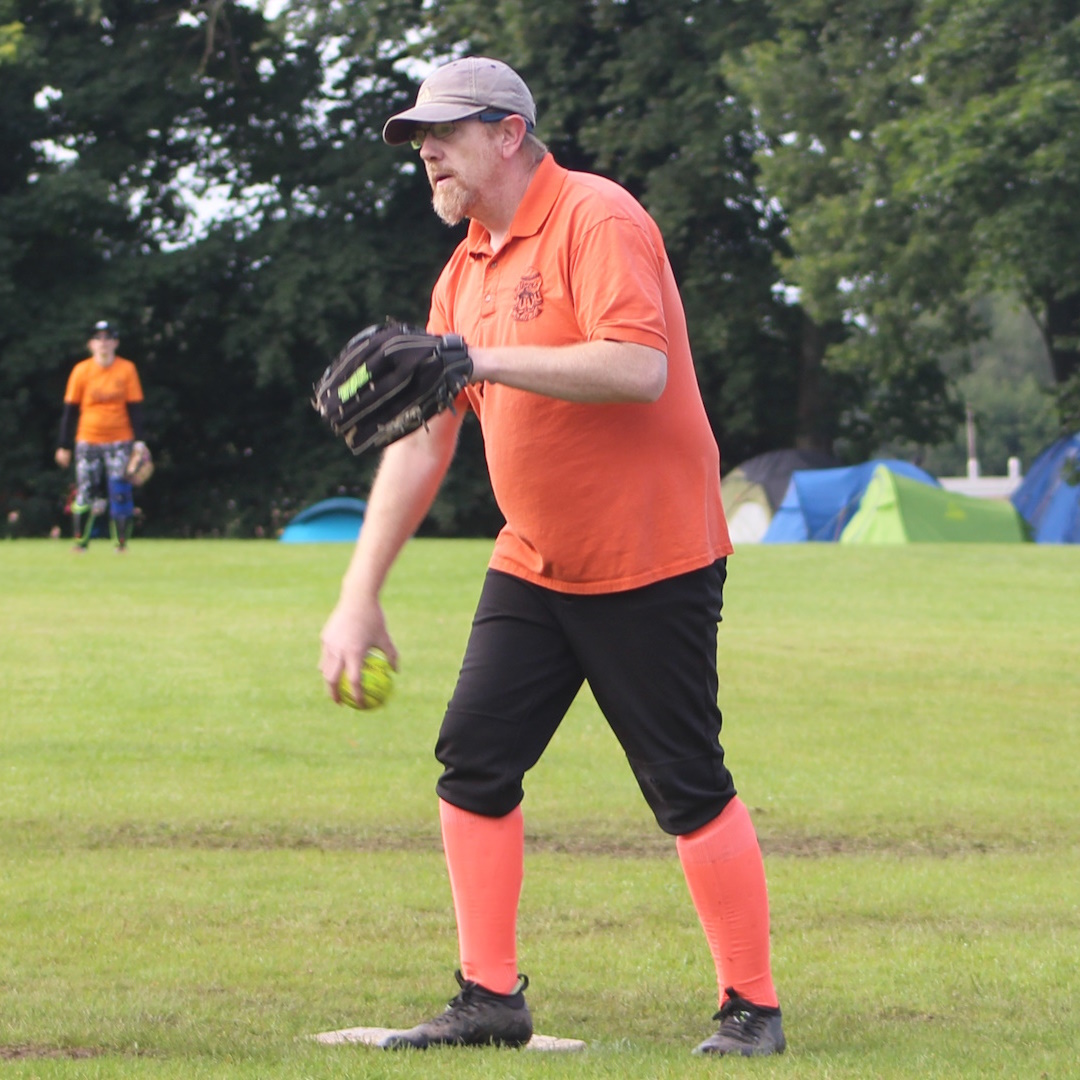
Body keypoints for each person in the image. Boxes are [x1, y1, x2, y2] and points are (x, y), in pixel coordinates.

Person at [319, 57, 786, 1057]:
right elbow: (424, 440)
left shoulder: (596, 218)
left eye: (443, 135)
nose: (427, 155)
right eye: (417, 143)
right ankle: (490, 998)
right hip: (535, 560)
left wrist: (472, 359)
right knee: (474, 761)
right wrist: (358, 595)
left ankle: (751, 1007)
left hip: (652, 557)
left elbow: (637, 364)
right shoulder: (465, 271)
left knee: (684, 781)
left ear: (509, 132)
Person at [55, 320, 148, 552]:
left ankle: (121, 544)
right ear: (90, 344)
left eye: (108, 338)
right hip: (88, 438)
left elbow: (135, 408)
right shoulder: (82, 371)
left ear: (115, 342)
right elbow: (70, 410)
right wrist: (64, 445)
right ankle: (80, 542)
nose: (103, 343)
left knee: (119, 490)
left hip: (120, 439)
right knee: (85, 491)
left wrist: (140, 441)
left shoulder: (126, 369)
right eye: (98, 338)